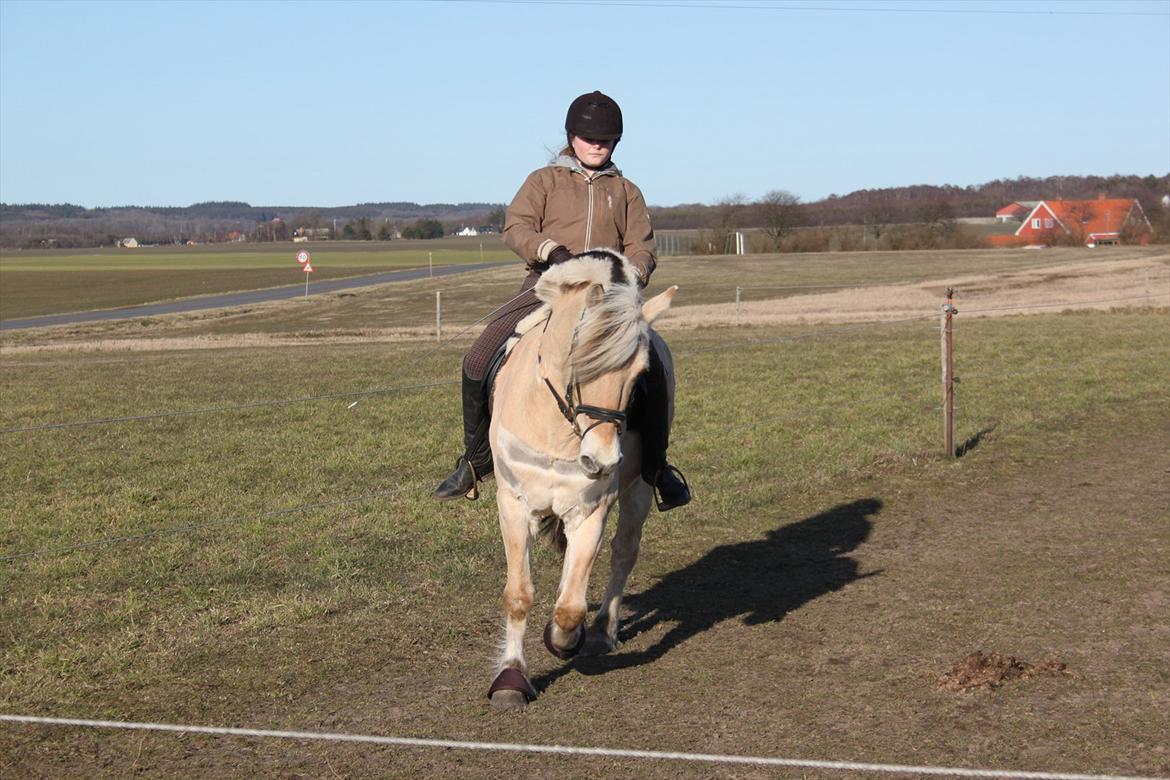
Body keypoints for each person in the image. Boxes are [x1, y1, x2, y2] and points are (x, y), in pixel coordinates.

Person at [434, 90, 691, 511]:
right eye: (589, 138)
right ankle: (476, 460)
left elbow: (642, 247)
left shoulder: (627, 191)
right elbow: (516, 227)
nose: (597, 145)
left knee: (654, 369)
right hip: (547, 287)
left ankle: (657, 467)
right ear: (572, 136)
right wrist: (550, 251)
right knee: (477, 359)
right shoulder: (543, 181)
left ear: (616, 142)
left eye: (606, 139)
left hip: (608, 299)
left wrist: (630, 276)